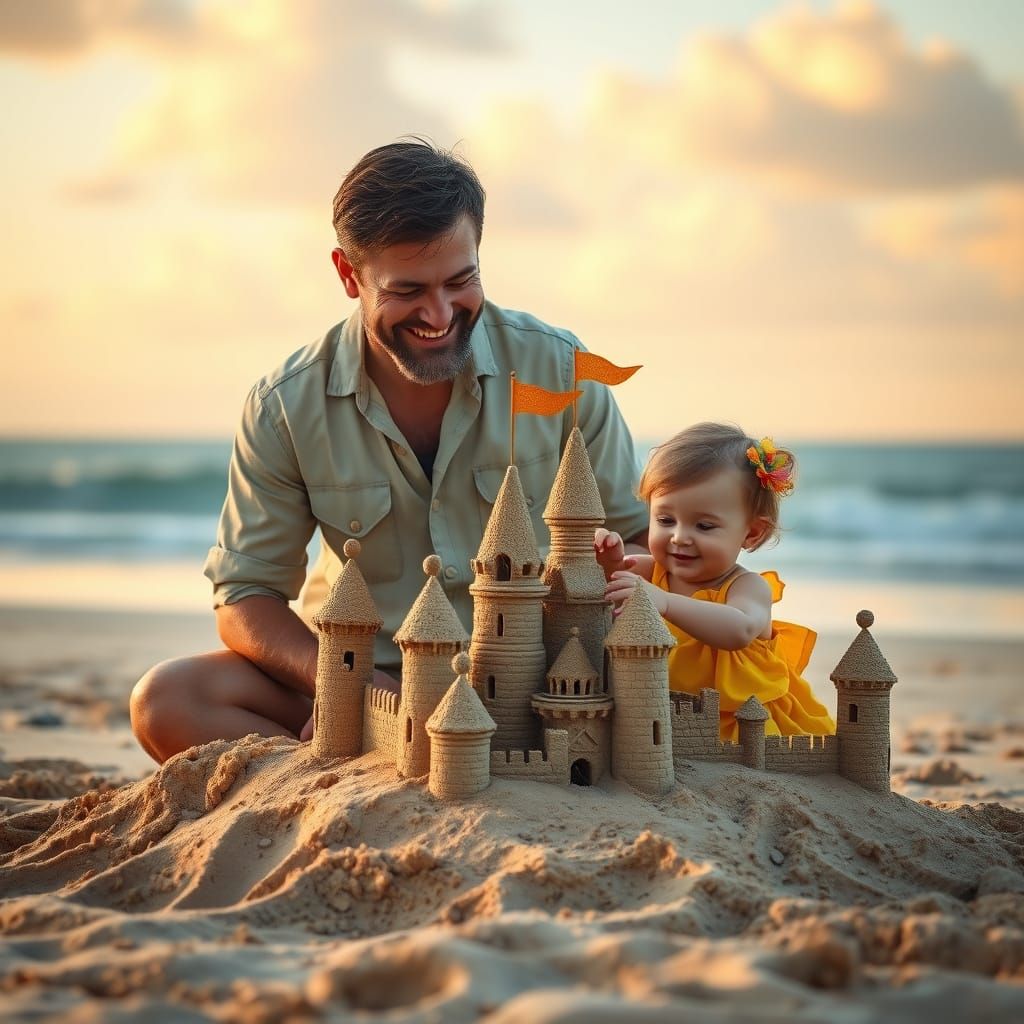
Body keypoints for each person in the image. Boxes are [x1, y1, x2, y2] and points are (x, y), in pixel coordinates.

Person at [130, 139, 649, 764]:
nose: (440, 314)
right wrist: (351, 688)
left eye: (461, 281)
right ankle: (341, 778)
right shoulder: (285, 405)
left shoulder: (560, 369)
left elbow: (639, 537)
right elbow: (245, 597)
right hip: (362, 678)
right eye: (408, 290)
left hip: (533, 683)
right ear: (349, 275)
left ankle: (393, 762)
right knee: (166, 700)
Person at [594, 421, 835, 742]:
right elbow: (611, 584)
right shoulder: (652, 573)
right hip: (665, 715)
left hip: (739, 720)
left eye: (704, 526)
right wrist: (607, 560)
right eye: (665, 520)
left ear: (752, 533)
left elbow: (738, 630)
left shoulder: (747, 587)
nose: (679, 537)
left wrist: (664, 602)